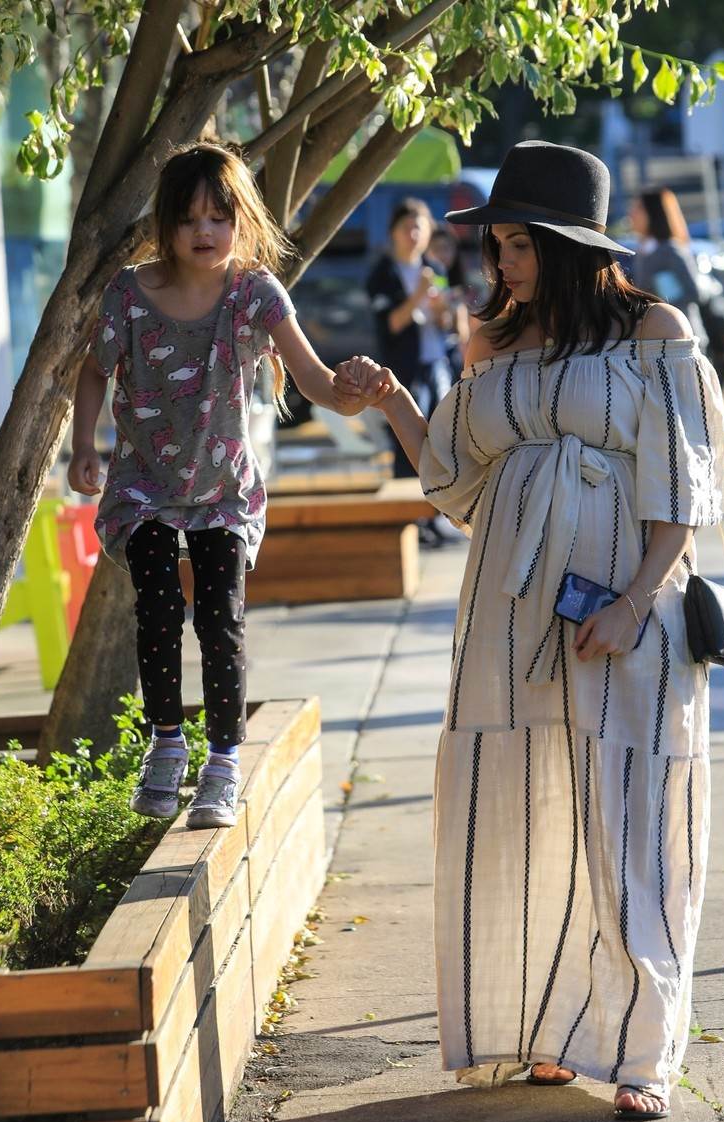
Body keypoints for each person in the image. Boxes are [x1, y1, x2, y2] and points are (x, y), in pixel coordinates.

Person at [335, 141, 724, 1121]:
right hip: (505, 621)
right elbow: (457, 487)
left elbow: (679, 482)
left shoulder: (654, 331)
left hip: (621, 611)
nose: (500, 263)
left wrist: (634, 598)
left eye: (517, 244)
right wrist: (394, 400)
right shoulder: (496, 346)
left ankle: (643, 1052)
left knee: (631, 819)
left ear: (566, 246)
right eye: (498, 245)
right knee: (525, 811)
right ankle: (548, 1027)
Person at [69, 142, 364, 830]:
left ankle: (223, 763)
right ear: (165, 225)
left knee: (221, 621)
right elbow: (93, 370)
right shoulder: (130, 296)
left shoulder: (253, 293)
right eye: (189, 219)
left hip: (222, 490)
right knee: (159, 603)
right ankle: (167, 745)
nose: (205, 232)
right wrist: (84, 447)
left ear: (239, 221)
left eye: (219, 217)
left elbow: (315, 378)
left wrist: (352, 395)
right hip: (144, 483)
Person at [366, 197, 454, 480]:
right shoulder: (384, 273)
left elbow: (446, 322)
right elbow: (391, 323)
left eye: (419, 228)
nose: (413, 235)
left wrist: (443, 311)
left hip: (437, 360)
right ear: (393, 231)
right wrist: (418, 295)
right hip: (404, 367)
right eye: (407, 228)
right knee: (409, 438)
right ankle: (408, 508)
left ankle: (438, 510)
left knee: (442, 434)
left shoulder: (436, 269)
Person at [629, 187, 709, 349]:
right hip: (657, 342)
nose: (632, 214)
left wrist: (659, 308)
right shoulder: (642, 251)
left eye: (638, 208)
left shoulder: (671, 250)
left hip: (682, 340)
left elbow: (694, 292)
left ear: (653, 213)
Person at [427, 223, 471, 380]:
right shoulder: (426, 280)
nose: (443, 254)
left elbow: (463, 330)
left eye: (447, 248)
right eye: (437, 248)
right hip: (433, 356)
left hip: (456, 356)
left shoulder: (458, 281)